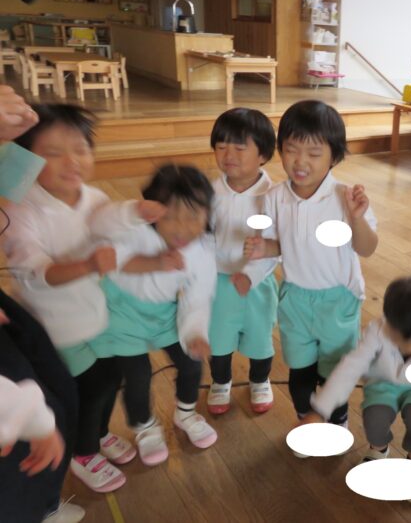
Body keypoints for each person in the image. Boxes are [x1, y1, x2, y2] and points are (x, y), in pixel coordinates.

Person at [246, 100, 378, 436]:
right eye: (291, 150)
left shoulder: (345, 197)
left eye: (314, 153)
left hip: (338, 300)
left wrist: (357, 218)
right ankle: (307, 420)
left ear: (334, 157)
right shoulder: (275, 197)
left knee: (334, 374)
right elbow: (283, 243)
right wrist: (264, 248)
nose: (300, 161)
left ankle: (337, 420)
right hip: (295, 299)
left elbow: (367, 248)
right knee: (299, 374)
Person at [89, 165, 218, 466]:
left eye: (193, 216)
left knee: (191, 362)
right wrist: (135, 213)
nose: (182, 228)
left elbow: (198, 298)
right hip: (123, 312)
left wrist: (195, 333)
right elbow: (101, 228)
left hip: (164, 313)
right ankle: (144, 426)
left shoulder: (202, 252)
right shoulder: (136, 230)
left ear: (208, 215)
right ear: (152, 213)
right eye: (170, 216)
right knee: (137, 375)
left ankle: (186, 413)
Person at [0, 81, 85, 521]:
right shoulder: (27, 217)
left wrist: (12, 147)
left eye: (79, 149)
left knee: (58, 386)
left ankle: (46, 505)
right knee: (29, 437)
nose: (72, 162)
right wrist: (36, 422)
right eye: (53, 152)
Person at [301, 277, 411, 502]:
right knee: (374, 419)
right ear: (388, 319)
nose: (407, 345)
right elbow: (350, 367)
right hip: (383, 383)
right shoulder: (377, 330)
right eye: (398, 336)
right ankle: (378, 449)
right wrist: (320, 409)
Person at [206, 108, 280, 415]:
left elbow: (276, 247)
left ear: (262, 154)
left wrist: (251, 274)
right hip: (218, 281)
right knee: (218, 338)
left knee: (260, 337)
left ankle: (260, 379)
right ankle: (220, 381)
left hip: (258, 284)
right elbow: (201, 235)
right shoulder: (209, 193)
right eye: (221, 146)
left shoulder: (274, 197)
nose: (228, 155)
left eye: (239, 148)